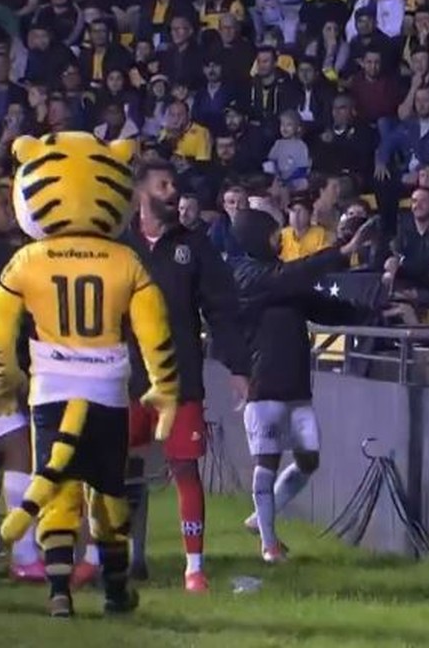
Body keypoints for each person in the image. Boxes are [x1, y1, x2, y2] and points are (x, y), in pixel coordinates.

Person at [0, 133, 179, 618]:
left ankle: (59, 590)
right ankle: (116, 591)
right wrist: (165, 385)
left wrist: (5, 376)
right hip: (106, 390)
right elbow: (153, 329)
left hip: (51, 388)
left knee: (56, 487)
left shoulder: (26, 260)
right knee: (108, 493)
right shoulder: (126, 261)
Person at [105, 160, 250, 593]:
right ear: (140, 193)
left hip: (180, 377)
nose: (174, 192)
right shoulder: (117, 244)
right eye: (163, 185)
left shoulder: (195, 246)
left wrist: (238, 366)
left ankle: (194, 569)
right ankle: (117, 559)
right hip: (123, 377)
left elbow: (222, 308)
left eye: (174, 185)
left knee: (185, 467)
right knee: (115, 469)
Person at [231, 210, 377, 562]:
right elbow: (291, 276)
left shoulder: (281, 280)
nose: (279, 238)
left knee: (309, 460)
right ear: (256, 237)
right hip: (262, 387)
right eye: (272, 233)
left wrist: (372, 308)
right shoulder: (246, 275)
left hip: (297, 389)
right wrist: (342, 251)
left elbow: (321, 306)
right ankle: (269, 544)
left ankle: (262, 516)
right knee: (266, 463)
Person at [0, 185, 41, 582]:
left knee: (16, 449)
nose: (9, 211)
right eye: (1, 205)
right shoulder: (9, 257)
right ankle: (24, 557)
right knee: (16, 451)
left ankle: (25, 557)